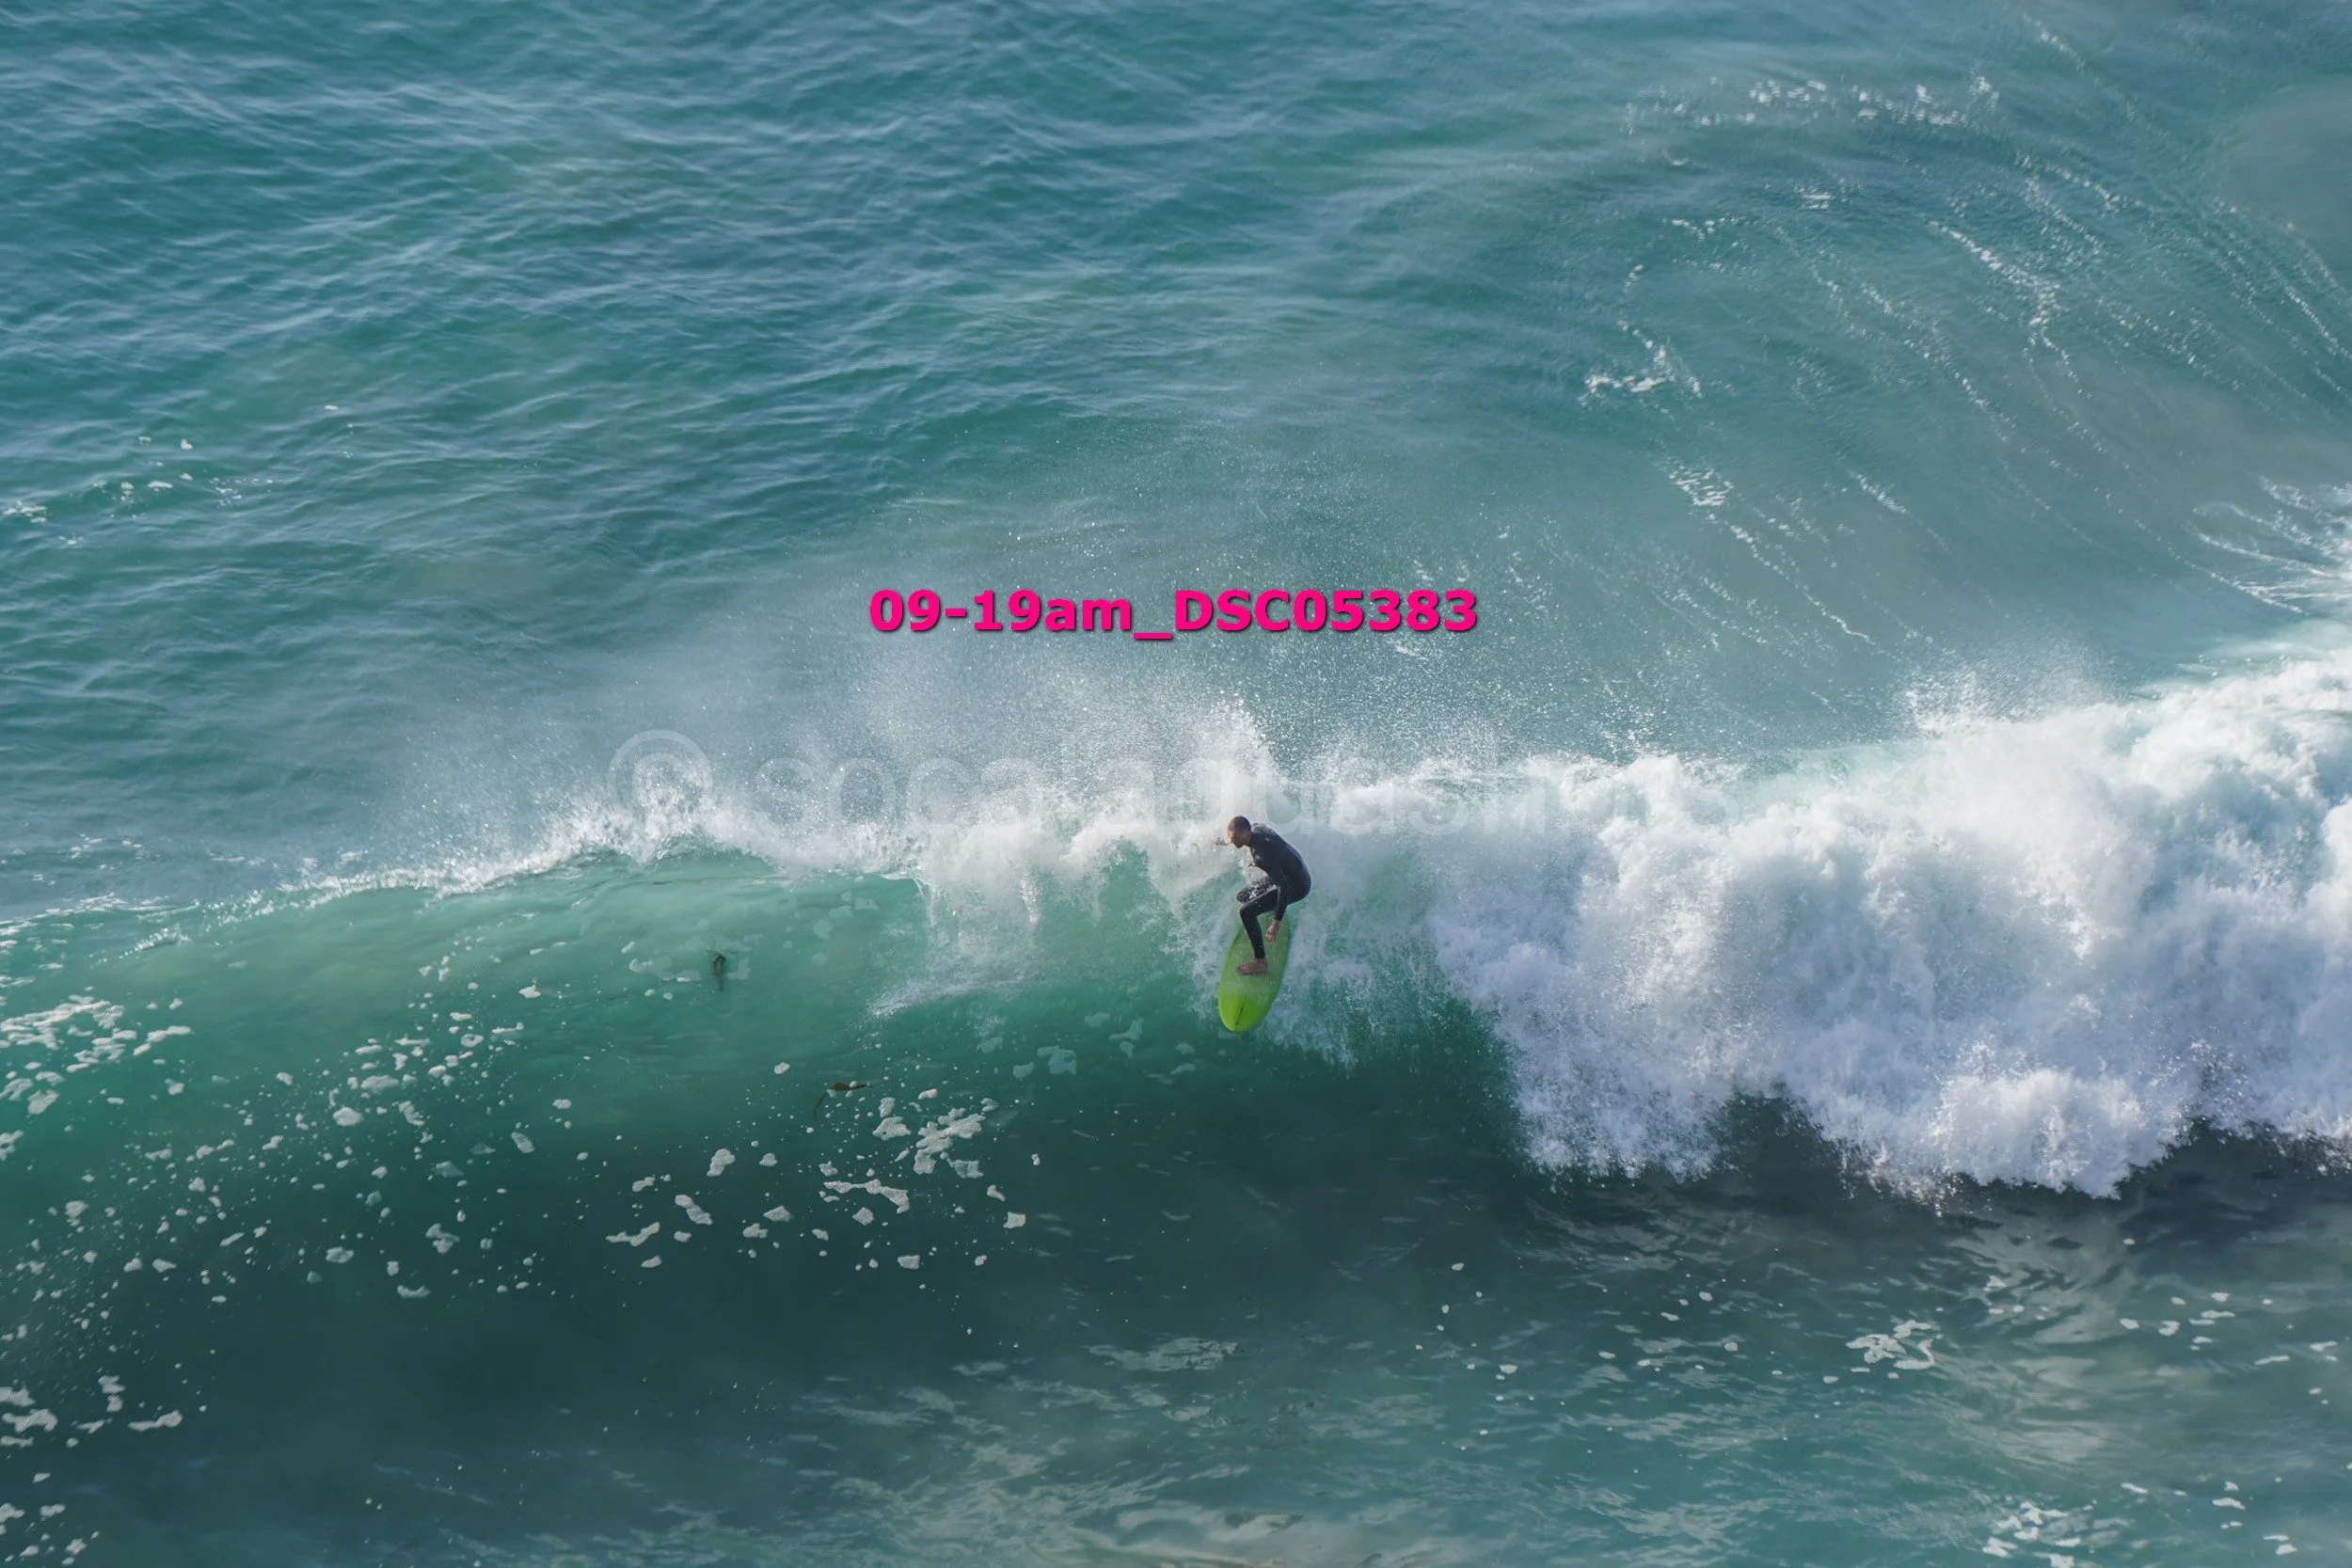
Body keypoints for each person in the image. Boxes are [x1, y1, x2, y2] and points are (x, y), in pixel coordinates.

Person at [1223, 815, 1310, 975]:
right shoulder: (1257, 827)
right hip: (1291, 869)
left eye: (1236, 838)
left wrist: (1277, 922)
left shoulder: (1260, 857)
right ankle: (1270, 909)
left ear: (1247, 832)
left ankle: (1260, 962)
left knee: (1246, 912)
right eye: (1231, 838)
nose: (1233, 842)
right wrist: (1222, 842)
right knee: (1244, 896)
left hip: (1298, 885)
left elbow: (1284, 887)